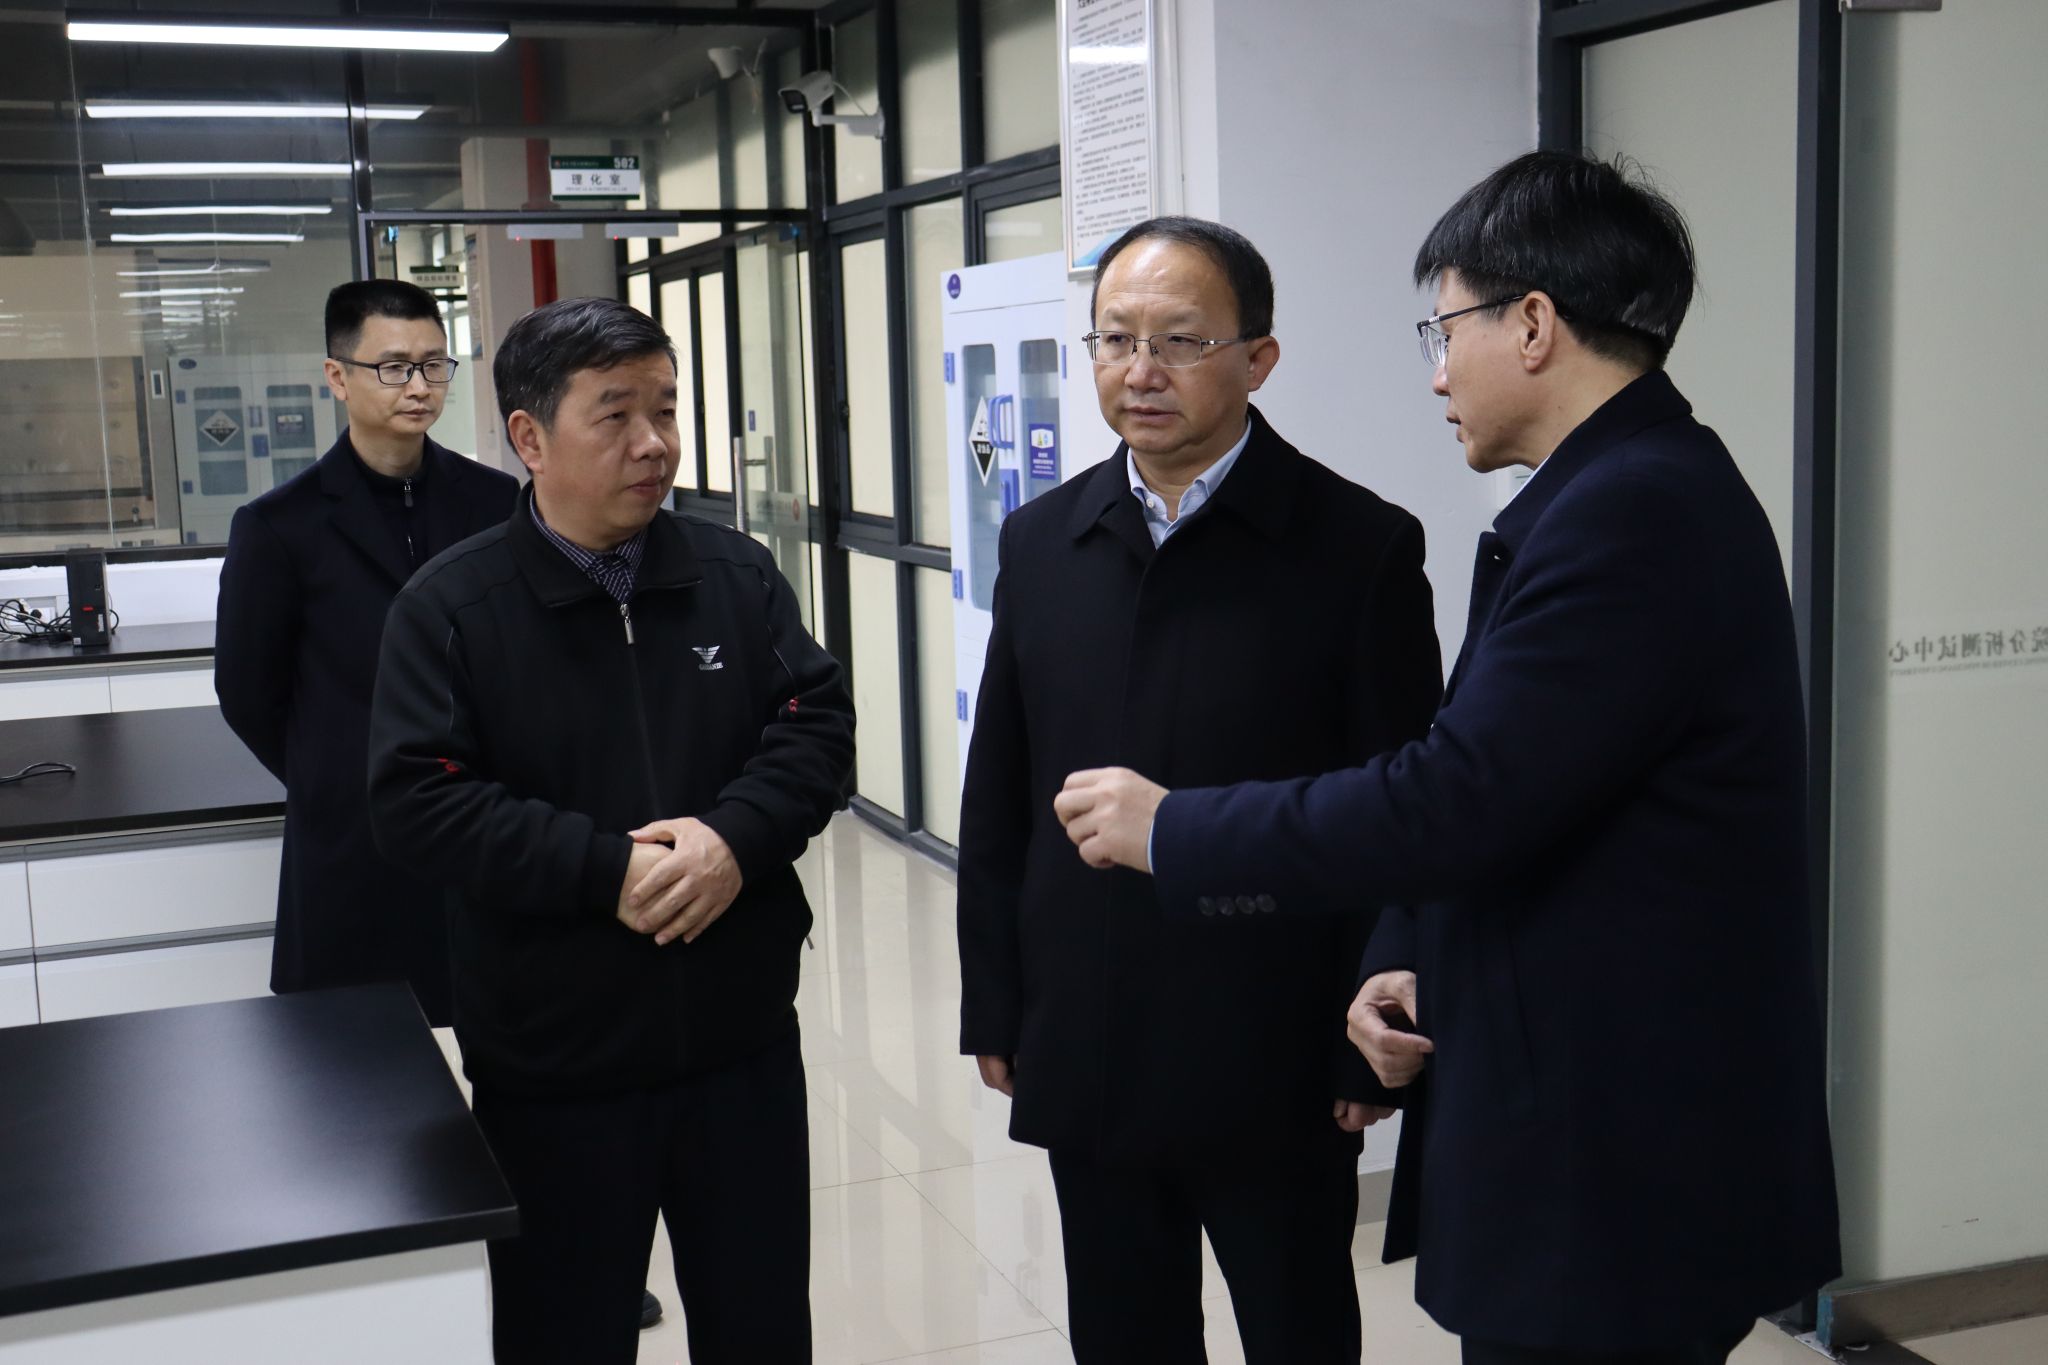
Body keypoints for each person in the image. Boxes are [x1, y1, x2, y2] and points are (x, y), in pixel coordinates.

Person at [1052, 153, 1842, 1365]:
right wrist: (1410, 952)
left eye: (1444, 329)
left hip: (1612, 1152)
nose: (1434, 374)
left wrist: (1172, 828)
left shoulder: (1628, 514)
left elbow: (1449, 795)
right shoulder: (1616, 493)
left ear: (1531, 324)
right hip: (1588, 1114)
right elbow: (1524, 788)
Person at [957, 216, 1443, 1364]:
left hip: (1273, 1038)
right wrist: (997, 1000)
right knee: (1121, 1329)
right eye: (1114, 339)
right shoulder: (1040, 541)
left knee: (1296, 1327)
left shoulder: (1356, 547)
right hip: (1090, 1025)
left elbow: (1401, 809)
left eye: (1178, 341)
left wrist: (1360, 1038)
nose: (1140, 371)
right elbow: (1001, 790)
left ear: (1257, 358)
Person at [367, 296, 853, 1365]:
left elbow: (816, 727)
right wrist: (606, 871)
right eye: (617, 413)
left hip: (738, 1045)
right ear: (530, 437)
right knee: (565, 1334)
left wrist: (732, 841)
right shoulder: (452, 608)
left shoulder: (734, 576)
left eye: (666, 410)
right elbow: (418, 800)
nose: (654, 443)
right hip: (556, 1065)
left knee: (762, 1328)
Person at [215, 278, 518, 1025]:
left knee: (495, 1018)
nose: (418, 386)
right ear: (337, 376)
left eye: (434, 364)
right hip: (354, 829)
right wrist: (333, 771)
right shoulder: (279, 526)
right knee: (354, 1046)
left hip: (483, 814)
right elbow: (248, 692)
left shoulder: (497, 504)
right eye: (393, 367)